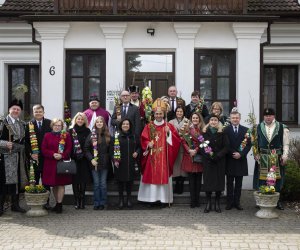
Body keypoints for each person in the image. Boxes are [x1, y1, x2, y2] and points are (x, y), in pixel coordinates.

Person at [138, 98, 181, 206]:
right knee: (151, 177)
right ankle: (151, 200)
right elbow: (143, 138)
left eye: (160, 113)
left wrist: (169, 133)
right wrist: (148, 143)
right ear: (154, 114)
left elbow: (176, 141)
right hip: (151, 157)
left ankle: (163, 200)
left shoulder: (168, 126)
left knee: (162, 176)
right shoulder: (149, 126)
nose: (158, 115)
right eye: (156, 113)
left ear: (164, 114)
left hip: (164, 157)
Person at [253, 108, 289, 210]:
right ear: (263, 116)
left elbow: (286, 144)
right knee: (262, 179)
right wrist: (255, 153)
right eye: (266, 116)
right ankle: (261, 199)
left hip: (276, 156)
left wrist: (285, 155)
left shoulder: (282, 127)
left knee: (276, 179)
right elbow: (255, 143)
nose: (268, 117)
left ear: (274, 116)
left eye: (270, 115)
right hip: (263, 156)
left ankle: (277, 201)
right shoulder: (258, 127)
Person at [0, 99, 27, 216]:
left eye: (18, 109)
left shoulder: (22, 124)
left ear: (20, 111)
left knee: (16, 182)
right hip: (4, 156)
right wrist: (4, 143)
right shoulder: (2, 122)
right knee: (3, 182)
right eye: (14, 109)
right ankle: (0, 207)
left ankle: (15, 205)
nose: (16, 110)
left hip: (18, 157)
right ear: (9, 110)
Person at [42, 118, 72, 213]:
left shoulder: (66, 135)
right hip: (50, 163)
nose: (57, 127)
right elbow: (43, 149)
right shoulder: (47, 135)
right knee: (54, 185)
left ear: (62, 127)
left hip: (61, 163)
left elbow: (69, 149)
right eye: (55, 125)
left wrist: (62, 155)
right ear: (52, 126)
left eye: (59, 125)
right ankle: (56, 203)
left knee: (61, 184)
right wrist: (52, 154)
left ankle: (59, 205)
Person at [200, 114, 229, 213]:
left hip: (219, 161)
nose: (213, 122)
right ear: (209, 121)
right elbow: (202, 147)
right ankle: (208, 203)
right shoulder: (204, 132)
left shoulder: (223, 132)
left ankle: (217, 203)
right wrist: (209, 156)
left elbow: (226, 147)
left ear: (218, 121)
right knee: (208, 182)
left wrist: (218, 156)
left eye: (215, 120)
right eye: (211, 120)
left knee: (218, 183)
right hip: (208, 161)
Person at [25, 104, 52, 209]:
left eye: (40, 111)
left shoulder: (49, 123)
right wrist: (31, 153)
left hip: (46, 157)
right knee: (34, 180)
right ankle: (34, 201)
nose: (38, 113)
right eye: (36, 111)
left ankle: (47, 202)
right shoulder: (28, 124)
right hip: (34, 157)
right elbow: (26, 142)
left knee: (46, 181)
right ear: (33, 112)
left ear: (43, 112)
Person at [224, 110, 251, 210]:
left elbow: (248, 145)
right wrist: (232, 153)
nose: (235, 119)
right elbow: (225, 144)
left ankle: (237, 202)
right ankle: (229, 203)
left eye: (237, 118)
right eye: (233, 118)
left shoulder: (246, 130)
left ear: (239, 119)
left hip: (241, 160)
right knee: (229, 183)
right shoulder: (225, 130)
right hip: (230, 160)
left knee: (239, 184)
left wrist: (241, 154)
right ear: (230, 119)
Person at [110, 119, 140, 209]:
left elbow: (139, 147)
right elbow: (111, 150)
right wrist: (114, 160)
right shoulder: (116, 136)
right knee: (120, 183)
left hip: (130, 162)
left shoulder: (134, 136)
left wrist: (137, 152)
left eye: (127, 124)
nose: (125, 125)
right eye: (124, 124)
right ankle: (121, 200)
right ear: (121, 125)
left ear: (130, 125)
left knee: (129, 182)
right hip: (120, 163)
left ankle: (129, 199)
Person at [85, 116, 110, 210]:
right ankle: (96, 203)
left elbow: (111, 149)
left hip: (104, 163)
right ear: (95, 124)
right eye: (97, 122)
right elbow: (86, 149)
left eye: (101, 122)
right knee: (96, 184)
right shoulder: (92, 134)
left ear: (104, 123)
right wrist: (91, 159)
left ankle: (103, 202)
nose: (99, 123)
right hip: (94, 163)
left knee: (103, 184)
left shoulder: (107, 135)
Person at [181, 112, 205, 208]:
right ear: (191, 119)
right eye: (193, 118)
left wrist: (196, 150)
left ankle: (197, 200)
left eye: (197, 118)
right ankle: (192, 200)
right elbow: (183, 141)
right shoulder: (187, 128)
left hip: (198, 156)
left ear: (199, 119)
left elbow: (203, 142)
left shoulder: (202, 130)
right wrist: (189, 150)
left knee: (198, 180)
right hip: (189, 156)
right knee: (191, 180)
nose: (195, 119)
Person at [69, 112, 91, 209]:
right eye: (78, 119)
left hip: (84, 159)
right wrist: (73, 155)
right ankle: (76, 201)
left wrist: (84, 154)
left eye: (82, 119)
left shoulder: (88, 131)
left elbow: (89, 145)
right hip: (74, 159)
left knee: (83, 180)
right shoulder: (70, 131)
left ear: (84, 120)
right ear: (75, 120)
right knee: (75, 181)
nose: (80, 121)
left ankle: (82, 201)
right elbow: (68, 145)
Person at [169, 106, 187, 194]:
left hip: (184, 147)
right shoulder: (171, 122)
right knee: (176, 167)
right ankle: (176, 183)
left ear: (183, 112)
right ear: (175, 113)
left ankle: (181, 184)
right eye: (178, 111)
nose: (179, 113)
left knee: (182, 167)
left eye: (181, 111)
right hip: (175, 146)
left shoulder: (187, 121)